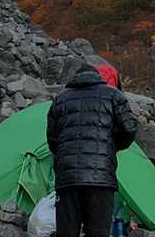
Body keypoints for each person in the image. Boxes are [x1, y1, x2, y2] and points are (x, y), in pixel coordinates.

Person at [46, 63, 138, 237]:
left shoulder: (60, 99)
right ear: (97, 77)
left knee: (66, 233)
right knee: (98, 232)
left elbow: (52, 139)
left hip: (67, 179)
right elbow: (130, 128)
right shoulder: (113, 95)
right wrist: (113, 146)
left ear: (75, 77)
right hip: (101, 179)